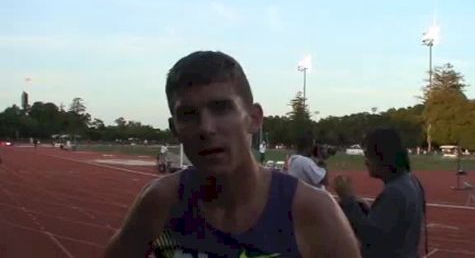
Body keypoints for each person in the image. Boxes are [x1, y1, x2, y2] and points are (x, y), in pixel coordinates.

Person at [105, 51, 360, 257]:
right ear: (175, 130)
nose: (206, 128)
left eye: (221, 108)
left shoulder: (313, 212)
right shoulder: (161, 202)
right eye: (188, 115)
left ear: (254, 118)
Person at [333, 128, 427, 258]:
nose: (365, 161)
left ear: (383, 157)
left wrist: (347, 198)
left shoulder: (394, 192)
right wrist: (365, 210)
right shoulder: (411, 180)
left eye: (368, 155)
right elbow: (391, 226)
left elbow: (370, 237)